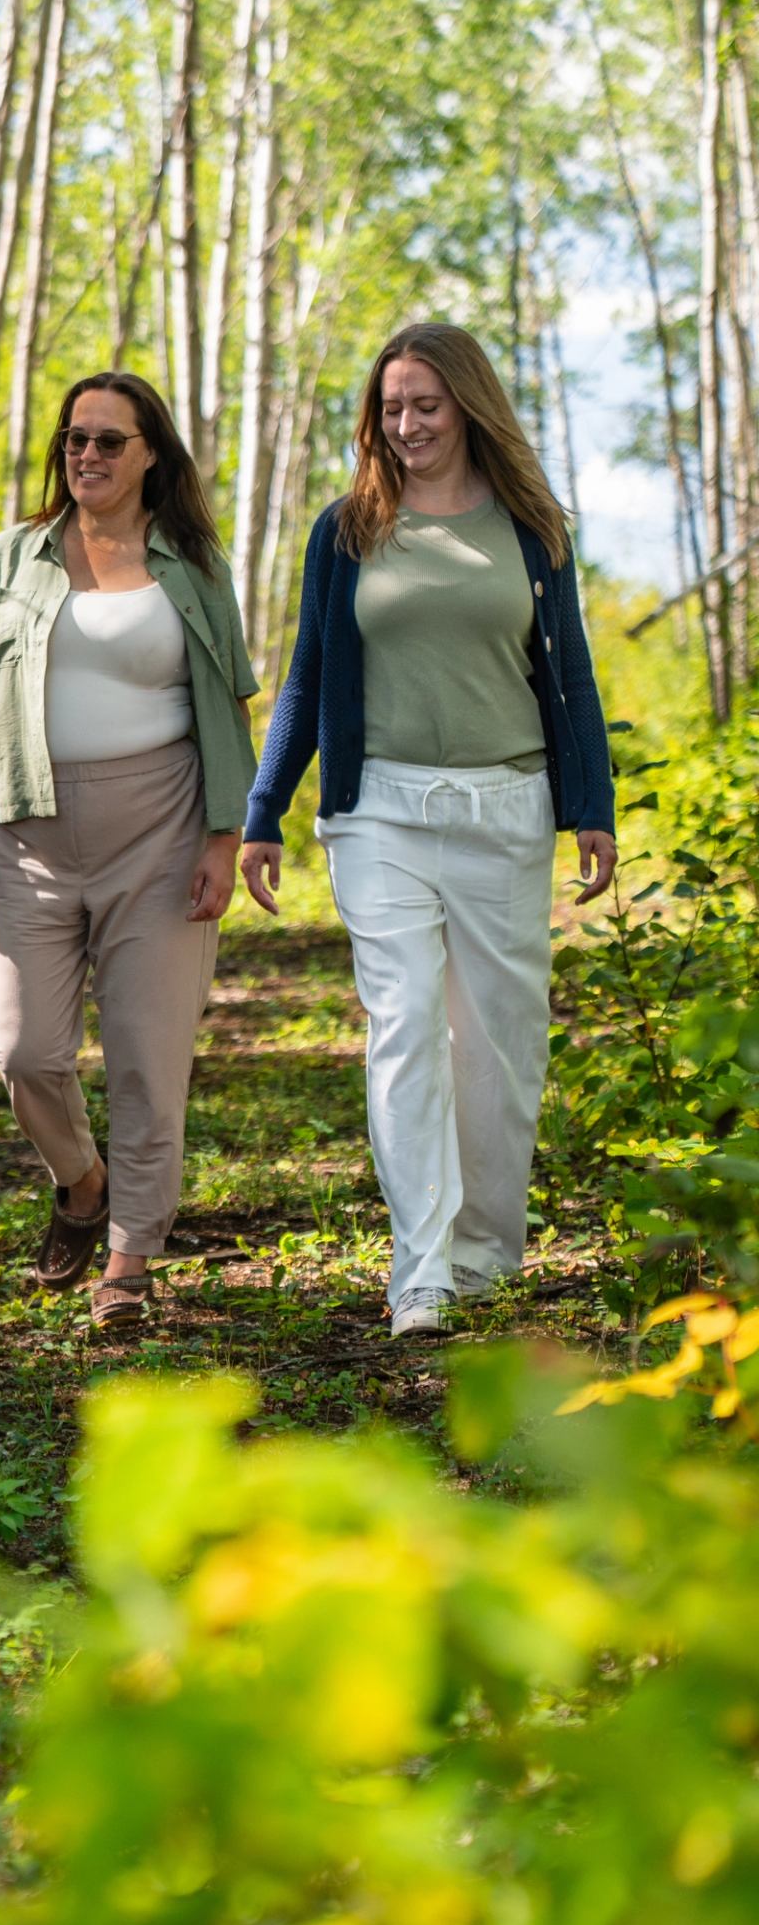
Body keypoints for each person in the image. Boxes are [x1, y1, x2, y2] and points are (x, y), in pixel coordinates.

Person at [239, 321, 617, 1339]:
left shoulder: (531, 528)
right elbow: (309, 675)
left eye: (426, 405)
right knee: (405, 1025)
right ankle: (422, 1272)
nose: (406, 424)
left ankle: (484, 1253)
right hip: (381, 812)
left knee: (498, 1043)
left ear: (468, 406)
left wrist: (592, 807)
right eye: (392, 407)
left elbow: (570, 674)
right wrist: (265, 809)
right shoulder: (348, 529)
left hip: (507, 808)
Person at [0, 371, 258, 1329]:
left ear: (150, 453)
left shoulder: (194, 564)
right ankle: (82, 1181)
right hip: (30, 831)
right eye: (75, 438)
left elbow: (228, 706)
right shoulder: (12, 557)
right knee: (23, 1051)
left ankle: (129, 1260)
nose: (87, 455)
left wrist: (225, 837)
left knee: (147, 1060)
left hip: (160, 829)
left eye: (110, 440)